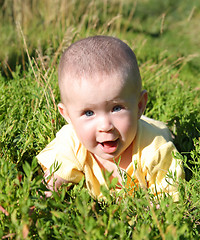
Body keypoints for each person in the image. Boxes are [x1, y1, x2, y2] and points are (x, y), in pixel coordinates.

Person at [37, 36, 184, 201]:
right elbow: (50, 186)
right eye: (88, 113)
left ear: (139, 105)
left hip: (151, 130)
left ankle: (164, 128)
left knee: (161, 131)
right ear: (68, 116)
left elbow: (169, 200)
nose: (105, 126)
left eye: (116, 108)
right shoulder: (71, 143)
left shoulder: (155, 150)